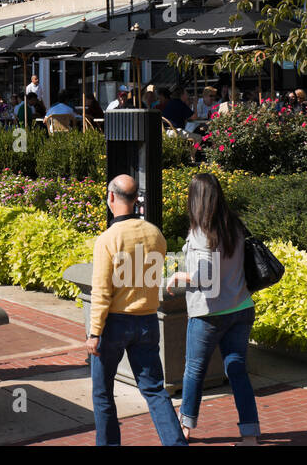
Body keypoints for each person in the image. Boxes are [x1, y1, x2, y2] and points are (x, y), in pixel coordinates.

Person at [87, 175, 187, 446]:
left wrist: (94, 332)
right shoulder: (156, 235)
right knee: (154, 390)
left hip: (114, 324)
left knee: (102, 393)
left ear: (111, 198)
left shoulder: (107, 239)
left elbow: (102, 292)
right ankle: (176, 443)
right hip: (147, 320)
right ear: (135, 200)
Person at [166, 173, 259, 444]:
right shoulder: (235, 226)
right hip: (241, 307)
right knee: (237, 370)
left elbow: (205, 277)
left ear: (195, 199)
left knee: (194, 370)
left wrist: (178, 277)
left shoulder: (200, 233)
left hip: (210, 314)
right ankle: (250, 435)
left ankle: (184, 430)